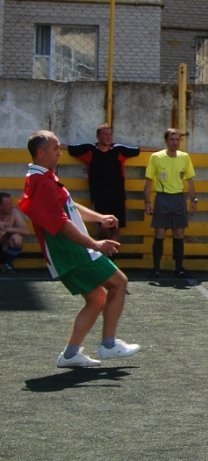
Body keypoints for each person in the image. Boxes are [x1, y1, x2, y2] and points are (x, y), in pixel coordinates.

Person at [19, 130, 140, 368]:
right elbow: (60, 223)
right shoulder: (41, 182)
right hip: (72, 251)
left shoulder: (44, 178)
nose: (59, 153)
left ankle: (70, 355)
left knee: (97, 298)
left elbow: (69, 206)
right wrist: (95, 244)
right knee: (119, 283)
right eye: (55, 148)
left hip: (70, 251)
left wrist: (99, 218)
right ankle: (108, 345)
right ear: (41, 153)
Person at [64, 123, 142, 241]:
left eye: (110, 134)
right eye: (105, 134)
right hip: (99, 196)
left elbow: (138, 150)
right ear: (98, 136)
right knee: (102, 226)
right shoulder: (90, 150)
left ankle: (113, 251)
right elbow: (70, 149)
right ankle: (101, 250)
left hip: (117, 195)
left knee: (116, 226)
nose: (108, 137)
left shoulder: (118, 150)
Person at [143, 128, 197, 278]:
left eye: (178, 139)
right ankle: (156, 268)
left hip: (179, 198)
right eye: (172, 139)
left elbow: (190, 180)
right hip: (162, 197)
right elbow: (148, 180)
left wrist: (193, 199)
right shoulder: (156, 157)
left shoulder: (185, 157)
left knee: (179, 233)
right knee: (159, 232)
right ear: (166, 141)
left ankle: (179, 268)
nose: (175, 142)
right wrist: (147, 201)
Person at [1, 191, 31, 272]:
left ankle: (6, 263)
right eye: (8, 205)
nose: (11, 206)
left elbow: (26, 231)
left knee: (17, 238)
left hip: (5, 246)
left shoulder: (14, 212)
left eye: (11, 204)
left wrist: (8, 229)